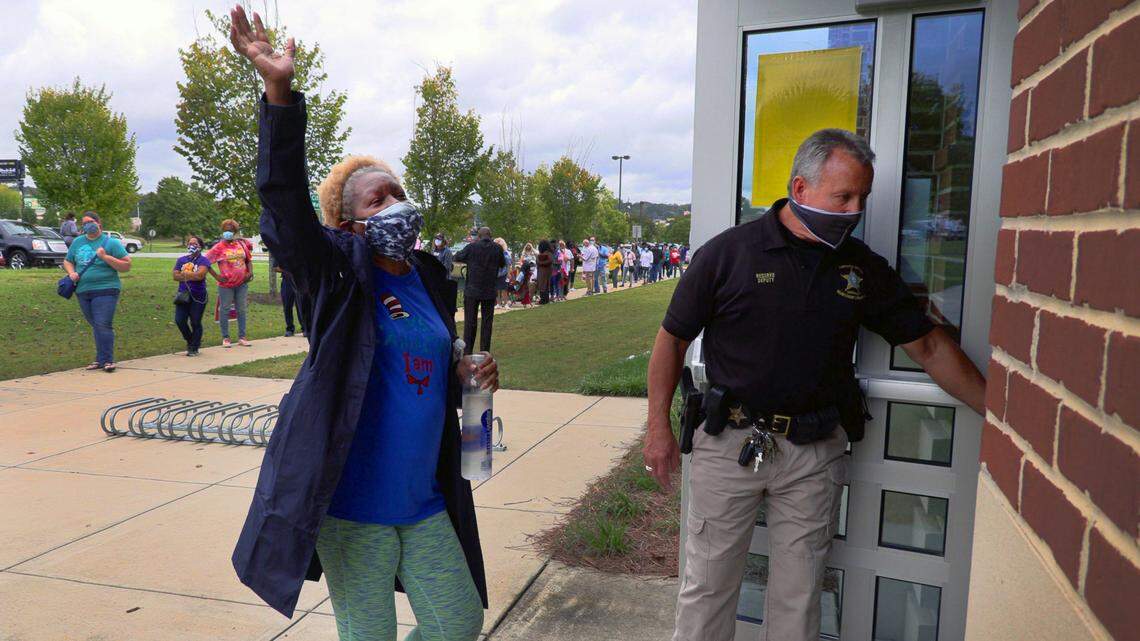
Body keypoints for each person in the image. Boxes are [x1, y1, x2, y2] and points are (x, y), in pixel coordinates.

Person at [644, 129, 987, 641]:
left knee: (799, 598)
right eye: (843, 197)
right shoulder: (729, 254)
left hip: (813, 454)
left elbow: (930, 348)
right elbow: (670, 341)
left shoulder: (860, 268)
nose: (854, 210)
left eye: (862, 199)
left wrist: (1002, 412)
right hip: (728, 442)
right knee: (708, 589)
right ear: (801, 190)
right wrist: (658, 428)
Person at [227, 8, 494, 639]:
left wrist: (467, 373)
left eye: (398, 190)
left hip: (425, 500)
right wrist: (278, 95)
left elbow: (421, 363)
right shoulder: (336, 275)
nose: (398, 204)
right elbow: (285, 205)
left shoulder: (428, 277)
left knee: (458, 623)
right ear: (349, 224)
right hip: (353, 508)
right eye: (379, 199)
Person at [62, 211, 131, 372]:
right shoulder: (78, 242)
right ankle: (100, 359)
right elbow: (68, 260)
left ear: (99, 223)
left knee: (102, 324)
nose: (88, 225)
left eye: (90, 221)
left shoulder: (110, 243)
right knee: (96, 325)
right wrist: (71, 273)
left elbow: (126, 265)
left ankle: (107, 360)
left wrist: (105, 257)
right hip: (83, 290)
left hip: (106, 289)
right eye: (84, 223)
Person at [454, 226, 505, 354]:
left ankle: (468, 351)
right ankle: (484, 350)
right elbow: (502, 264)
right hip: (489, 289)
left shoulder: (472, 247)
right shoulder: (497, 248)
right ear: (490, 236)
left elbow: (457, 257)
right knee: (487, 322)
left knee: (470, 322)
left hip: (472, 289)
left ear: (479, 236)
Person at [206, 218, 254, 347]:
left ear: (235, 232)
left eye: (231, 230)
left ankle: (242, 337)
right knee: (225, 309)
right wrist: (217, 276)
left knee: (241, 309)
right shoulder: (218, 247)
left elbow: (248, 260)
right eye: (226, 230)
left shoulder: (241, 244)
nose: (229, 232)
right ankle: (226, 338)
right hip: (226, 286)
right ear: (223, 232)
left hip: (242, 284)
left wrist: (250, 272)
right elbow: (205, 262)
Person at [173, 235, 211, 356]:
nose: (191, 246)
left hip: (198, 296)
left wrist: (183, 274)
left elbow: (200, 275)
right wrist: (191, 275)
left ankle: (194, 347)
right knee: (179, 320)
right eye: (190, 243)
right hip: (183, 295)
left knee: (195, 321)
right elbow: (175, 276)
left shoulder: (203, 260)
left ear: (200, 246)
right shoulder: (181, 260)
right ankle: (191, 340)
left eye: (195, 244)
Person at [494, 237, 512, 309]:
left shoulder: (506, 253)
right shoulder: (494, 253)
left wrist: (508, 273)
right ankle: (498, 304)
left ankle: (506, 304)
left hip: (504, 273)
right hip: (496, 273)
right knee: (497, 289)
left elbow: (508, 264)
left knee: (504, 289)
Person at [536, 240, 554, 305]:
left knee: (543, 285)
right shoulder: (549, 253)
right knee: (545, 285)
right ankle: (545, 299)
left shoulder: (547, 253)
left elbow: (549, 261)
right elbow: (550, 260)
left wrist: (541, 263)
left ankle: (544, 300)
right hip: (546, 270)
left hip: (543, 271)